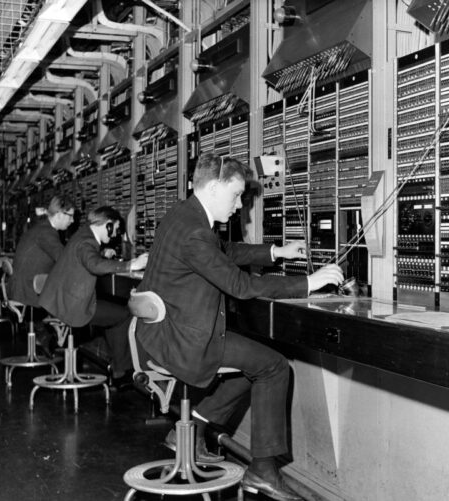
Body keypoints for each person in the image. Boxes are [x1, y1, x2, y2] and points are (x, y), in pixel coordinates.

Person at [135, 153, 344, 501]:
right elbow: (240, 285)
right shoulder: (195, 233)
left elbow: (224, 250)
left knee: (253, 362)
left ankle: (190, 431)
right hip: (184, 340)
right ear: (215, 187)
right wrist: (309, 283)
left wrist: (277, 251)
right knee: (274, 366)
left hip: (166, 333)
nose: (239, 207)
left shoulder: (182, 216)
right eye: (235, 196)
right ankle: (262, 471)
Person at [39, 206, 148, 388]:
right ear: (107, 225)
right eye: (115, 228)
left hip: (62, 300)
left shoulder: (83, 236)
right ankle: (121, 372)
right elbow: (94, 265)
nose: (114, 235)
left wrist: (101, 255)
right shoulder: (87, 242)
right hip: (72, 306)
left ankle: (118, 368)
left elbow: (88, 258)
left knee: (114, 312)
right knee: (124, 316)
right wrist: (131, 264)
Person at [9, 194, 76, 354]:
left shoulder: (41, 228)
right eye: (70, 216)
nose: (72, 221)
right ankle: (64, 347)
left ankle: (48, 337)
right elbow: (64, 259)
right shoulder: (47, 233)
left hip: (21, 289)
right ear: (60, 214)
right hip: (28, 292)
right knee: (79, 303)